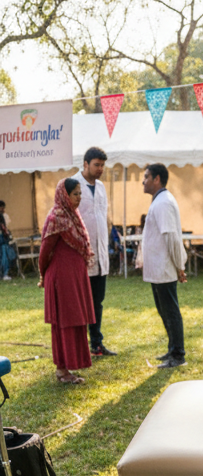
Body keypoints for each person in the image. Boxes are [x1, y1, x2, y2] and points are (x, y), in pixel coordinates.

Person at [38, 179, 95, 385]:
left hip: (74, 277)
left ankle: (69, 365)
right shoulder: (56, 217)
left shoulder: (73, 216)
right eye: (75, 194)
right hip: (62, 278)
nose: (79, 198)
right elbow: (45, 251)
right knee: (66, 321)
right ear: (64, 195)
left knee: (75, 318)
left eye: (80, 194)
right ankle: (62, 370)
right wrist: (43, 274)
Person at [139, 163, 188, 369]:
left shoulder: (163, 203)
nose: (143, 181)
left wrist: (179, 266)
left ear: (157, 179)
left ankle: (178, 354)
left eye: (146, 177)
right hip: (158, 269)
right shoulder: (159, 201)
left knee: (170, 311)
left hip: (164, 268)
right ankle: (172, 349)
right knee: (164, 310)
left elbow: (171, 237)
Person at [72, 147, 117, 356]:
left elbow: (103, 217)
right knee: (80, 303)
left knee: (97, 301)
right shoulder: (72, 184)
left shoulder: (101, 187)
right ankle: (80, 345)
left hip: (100, 254)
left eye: (102, 165)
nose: (100, 169)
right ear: (85, 164)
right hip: (80, 255)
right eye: (96, 165)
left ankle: (96, 343)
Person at [0, 200, 13, 280]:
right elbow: (3, 227)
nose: (3, 210)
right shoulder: (1, 216)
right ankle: (5, 274)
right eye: (2, 208)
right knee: (4, 255)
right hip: (1, 237)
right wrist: (7, 234)